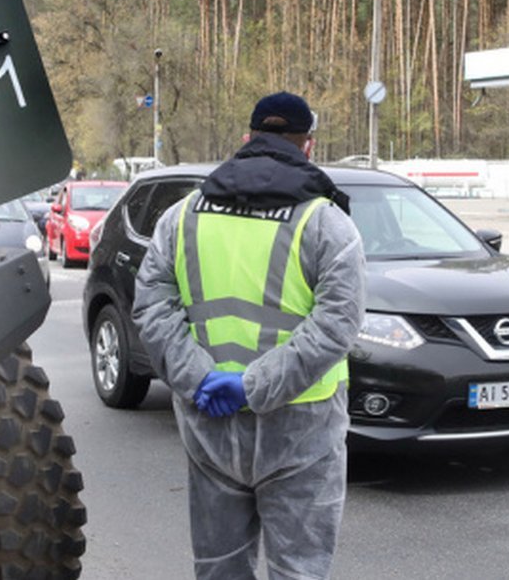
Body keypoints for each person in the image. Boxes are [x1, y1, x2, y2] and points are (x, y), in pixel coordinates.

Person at [132, 91, 366, 579]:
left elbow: (152, 308)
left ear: (246, 140)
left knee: (219, 569)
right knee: (299, 570)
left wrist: (199, 379)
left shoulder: (182, 217)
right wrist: (255, 387)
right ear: (308, 147)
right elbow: (337, 324)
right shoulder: (326, 224)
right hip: (302, 429)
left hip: (210, 422)